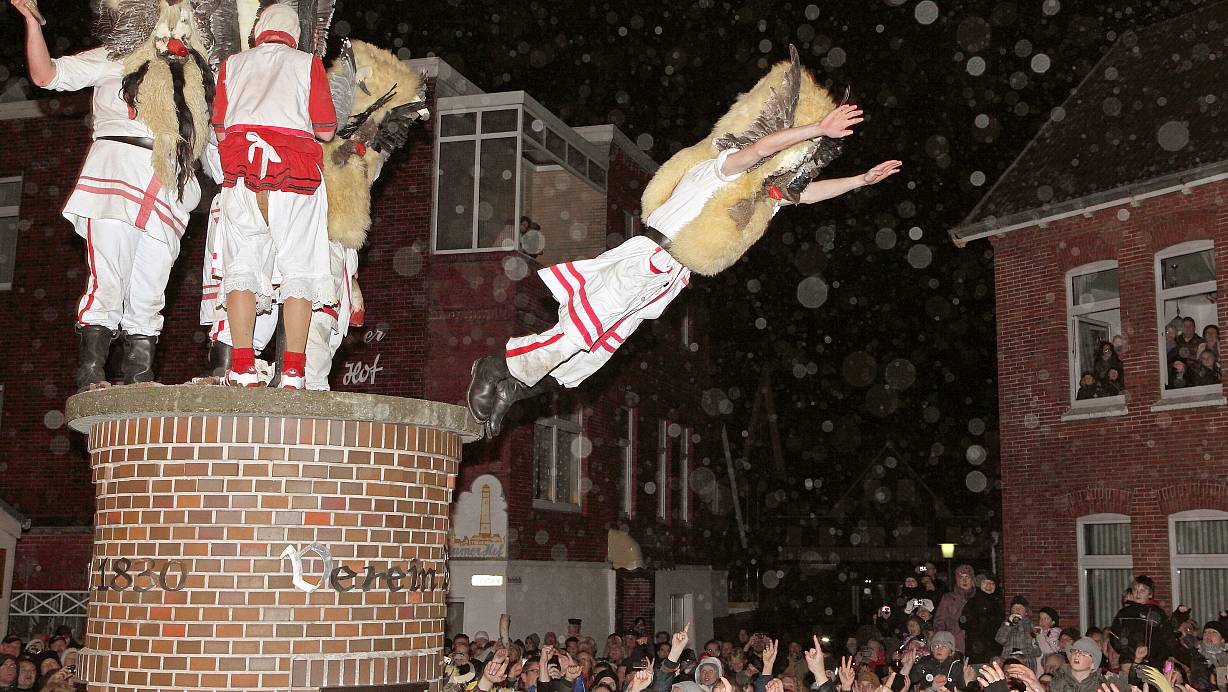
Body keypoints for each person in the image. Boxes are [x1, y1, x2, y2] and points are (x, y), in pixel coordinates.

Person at [466, 46, 902, 437]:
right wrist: (815, 129)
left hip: (666, 281)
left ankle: (512, 390)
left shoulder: (755, 199)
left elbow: (803, 195)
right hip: (646, 259)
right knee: (582, 333)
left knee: (588, 357)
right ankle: (497, 367)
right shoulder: (720, 169)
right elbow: (758, 151)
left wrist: (861, 180)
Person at [12, 0, 212, 391]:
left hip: (168, 186)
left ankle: (138, 380)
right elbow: (46, 74)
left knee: (151, 292)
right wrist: (32, 24)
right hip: (116, 175)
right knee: (108, 279)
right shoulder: (116, 56)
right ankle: (91, 375)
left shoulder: (194, 75)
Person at [211, 4, 339, 388]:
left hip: (242, 173)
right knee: (299, 270)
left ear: (259, 31)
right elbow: (328, 129)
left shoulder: (232, 64)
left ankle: (243, 365)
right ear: (295, 33)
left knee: (243, 268)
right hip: (293, 174)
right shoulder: (307, 63)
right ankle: (295, 373)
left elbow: (219, 128)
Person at [961, 574, 1004, 664]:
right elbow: (962, 623)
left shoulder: (998, 603)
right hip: (976, 649)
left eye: (992, 583)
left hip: (995, 649)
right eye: (985, 582)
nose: (989, 586)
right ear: (980, 585)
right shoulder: (973, 602)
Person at [935, 565, 976, 652]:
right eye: (961, 577)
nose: (964, 580)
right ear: (957, 580)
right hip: (955, 642)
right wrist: (942, 641)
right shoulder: (948, 598)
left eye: (967, 577)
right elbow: (940, 621)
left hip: (976, 644)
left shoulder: (979, 597)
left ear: (972, 579)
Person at [997, 596, 1041, 664]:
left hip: (1026, 663)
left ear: (1026, 612)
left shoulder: (1031, 626)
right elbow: (1000, 640)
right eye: (1014, 608)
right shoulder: (1006, 624)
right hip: (1009, 662)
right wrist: (1010, 623)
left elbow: (1037, 650)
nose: (1017, 610)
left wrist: (1024, 657)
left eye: (1020, 608)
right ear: (1011, 611)